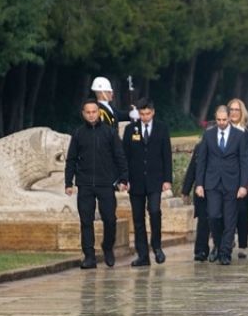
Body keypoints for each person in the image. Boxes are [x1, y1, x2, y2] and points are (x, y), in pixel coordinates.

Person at [65, 99, 129, 268]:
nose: (91, 115)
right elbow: (71, 159)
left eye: (94, 112)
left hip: (106, 183)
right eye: (88, 112)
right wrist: (68, 182)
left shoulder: (109, 133)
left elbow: (119, 156)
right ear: (83, 114)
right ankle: (89, 256)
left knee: (109, 219)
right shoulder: (78, 134)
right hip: (85, 183)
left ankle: (108, 247)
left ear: (99, 113)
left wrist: (123, 178)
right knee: (86, 220)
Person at [193, 106, 248, 265]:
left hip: (232, 183)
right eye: (219, 120)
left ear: (229, 118)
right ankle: (218, 244)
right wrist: (199, 184)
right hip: (212, 183)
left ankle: (225, 252)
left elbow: (244, 161)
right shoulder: (209, 135)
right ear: (215, 119)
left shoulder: (239, 136)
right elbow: (202, 160)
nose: (222, 123)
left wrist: (243, 185)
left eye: (224, 120)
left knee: (230, 220)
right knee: (213, 215)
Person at [122, 97, 173, 267]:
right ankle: (142, 255)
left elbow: (167, 155)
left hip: (154, 180)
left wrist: (167, 179)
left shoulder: (161, 128)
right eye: (142, 114)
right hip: (135, 181)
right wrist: (124, 179)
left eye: (148, 113)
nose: (145, 117)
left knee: (154, 211)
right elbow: (125, 156)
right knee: (138, 219)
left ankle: (157, 246)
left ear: (153, 112)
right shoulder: (130, 129)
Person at [226, 98, 248, 260]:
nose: (234, 113)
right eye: (232, 110)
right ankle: (227, 241)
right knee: (227, 212)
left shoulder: (247, 133)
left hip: (243, 179)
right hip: (227, 178)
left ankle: (242, 244)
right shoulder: (222, 130)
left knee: (242, 213)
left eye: (237, 110)